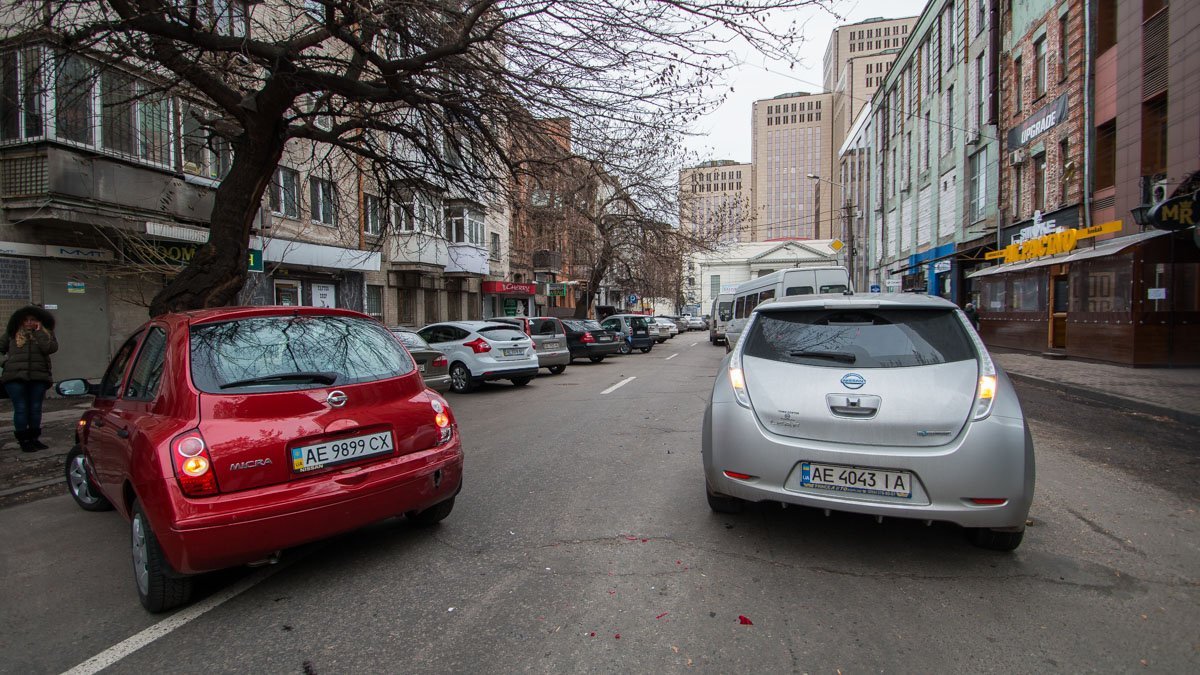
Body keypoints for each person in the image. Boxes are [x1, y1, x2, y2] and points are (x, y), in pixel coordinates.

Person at [1, 305, 58, 452]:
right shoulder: (12, 333)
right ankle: (23, 440)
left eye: (32, 320)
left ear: (39, 321)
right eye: (25, 320)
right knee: (21, 408)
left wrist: (39, 333)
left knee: (35, 408)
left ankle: (34, 438)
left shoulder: (46, 333)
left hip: (38, 376)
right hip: (15, 376)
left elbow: (50, 349)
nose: (29, 322)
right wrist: (5, 363)